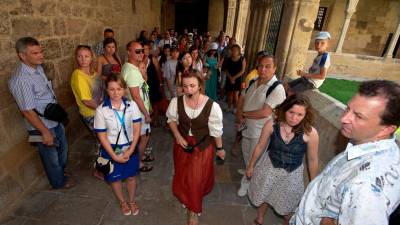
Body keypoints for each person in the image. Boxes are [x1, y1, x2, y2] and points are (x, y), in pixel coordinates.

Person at [290, 80, 400, 225]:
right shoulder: (367, 145)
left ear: (386, 129)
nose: (343, 118)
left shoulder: (366, 189)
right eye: (347, 109)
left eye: (359, 116)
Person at [8, 37, 73, 189]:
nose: (41, 55)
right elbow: (27, 110)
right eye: (35, 53)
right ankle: (59, 182)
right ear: (22, 56)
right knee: (51, 159)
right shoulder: (21, 79)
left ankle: (62, 172)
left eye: (41, 51)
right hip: (42, 125)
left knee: (62, 150)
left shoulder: (37, 68)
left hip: (54, 119)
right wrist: (45, 132)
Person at [246, 94, 319, 225]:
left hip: (291, 175)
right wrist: (251, 166)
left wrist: (314, 183)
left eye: (299, 115)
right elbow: (260, 146)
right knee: (264, 195)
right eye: (291, 112)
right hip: (269, 167)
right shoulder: (272, 124)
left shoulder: (310, 133)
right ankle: (260, 218)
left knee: (288, 205)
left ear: (305, 115)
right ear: (285, 109)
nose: (294, 118)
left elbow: (313, 160)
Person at [166, 70, 225, 225]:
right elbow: (171, 120)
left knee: (196, 179)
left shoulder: (212, 106)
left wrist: (220, 149)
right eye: (185, 86)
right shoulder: (176, 102)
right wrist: (178, 136)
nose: (188, 90)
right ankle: (187, 197)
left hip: (202, 147)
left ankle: (194, 210)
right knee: (183, 174)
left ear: (200, 85)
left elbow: (216, 131)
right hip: (182, 145)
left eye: (192, 86)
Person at [236, 55, 286, 197]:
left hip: (260, 132)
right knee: (246, 152)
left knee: (254, 157)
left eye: (267, 66)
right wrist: (239, 116)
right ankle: (247, 168)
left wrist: (243, 115)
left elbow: (265, 112)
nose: (263, 69)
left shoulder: (277, 88)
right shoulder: (253, 81)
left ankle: (247, 183)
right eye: (260, 66)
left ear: (274, 69)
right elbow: (243, 97)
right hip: (247, 127)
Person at [94, 74, 141, 216]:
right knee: (116, 178)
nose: (116, 93)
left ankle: (132, 200)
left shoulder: (132, 105)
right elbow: (101, 135)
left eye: (119, 89)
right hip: (111, 150)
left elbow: (137, 128)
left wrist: (131, 149)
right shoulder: (101, 110)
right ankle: (122, 202)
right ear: (106, 90)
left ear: (124, 89)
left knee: (131, 176)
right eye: (112, 89)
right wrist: (114, 156)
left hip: (129, 148)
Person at [122, 41, 153, 172]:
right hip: (138, 112)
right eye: (137, 51)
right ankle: (138, 163)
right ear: (129, 52)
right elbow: (136, 96)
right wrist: (146, 114)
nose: (141, 53)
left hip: (137, 110)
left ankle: (139, 158)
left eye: (142, 50)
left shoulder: (131, 67)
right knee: (143, 136)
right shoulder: (132, 72)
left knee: (140, 137)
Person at [71, 45, 101, 131]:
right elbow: (87, 101)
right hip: (91, 113)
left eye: (86, 56)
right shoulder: (78, 75)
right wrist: (104, 109)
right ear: (76, 58)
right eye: (80, 56)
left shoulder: (93, 72)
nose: (83, 60)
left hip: (99, 110)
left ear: (91, 58)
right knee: (104, 140)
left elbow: (100, 90)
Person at [222, 44, 246, 112]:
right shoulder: (228, 59)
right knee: (229, 94)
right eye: (232, 50)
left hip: (237, 79)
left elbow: (242, 71)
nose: (233, 52)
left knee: (236, 95)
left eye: (235, 50)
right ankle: (229, 107)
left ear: (239, 51)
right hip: (229, 78)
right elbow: (225, 69)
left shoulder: (242, 59)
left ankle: (235, 108)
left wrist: (234, 78)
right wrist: (230, 78)